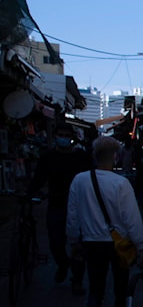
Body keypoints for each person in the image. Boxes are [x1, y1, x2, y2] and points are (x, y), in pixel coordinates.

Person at [67, 137, 143, 307]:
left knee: (96, 288)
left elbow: (73, 215)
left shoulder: (79, 180)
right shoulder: (120, 183)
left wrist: (73, 240)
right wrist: (141, 246)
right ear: (115, 157)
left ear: (94, 157)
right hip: (118, 245)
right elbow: (132, 218)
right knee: (121, 288)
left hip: (92, 243)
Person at [28, 122, 93, 295]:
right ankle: (63, 263)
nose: (63, 138)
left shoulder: (82, 157)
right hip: (56, 204)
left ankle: (77, 280)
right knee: (56, 243)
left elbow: (91, 180)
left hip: (79, 206)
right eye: (60, 135)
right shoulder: (48, 157)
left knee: (78, 245)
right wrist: (29, 193)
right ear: (55, 137)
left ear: (72, 138)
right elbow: (38, 179)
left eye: (66, 135)